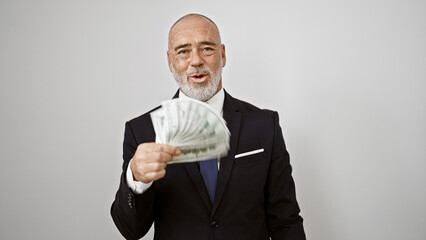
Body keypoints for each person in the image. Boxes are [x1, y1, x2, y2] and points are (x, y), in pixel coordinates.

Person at [111, 13, 306, 240]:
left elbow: (286, 220)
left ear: (222, 55)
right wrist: (135, 179)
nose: (196, 61)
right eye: (183, 51)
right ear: (170, 61)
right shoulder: (142, 131)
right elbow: (130, 230)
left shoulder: (264, 125)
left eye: (206, 49)